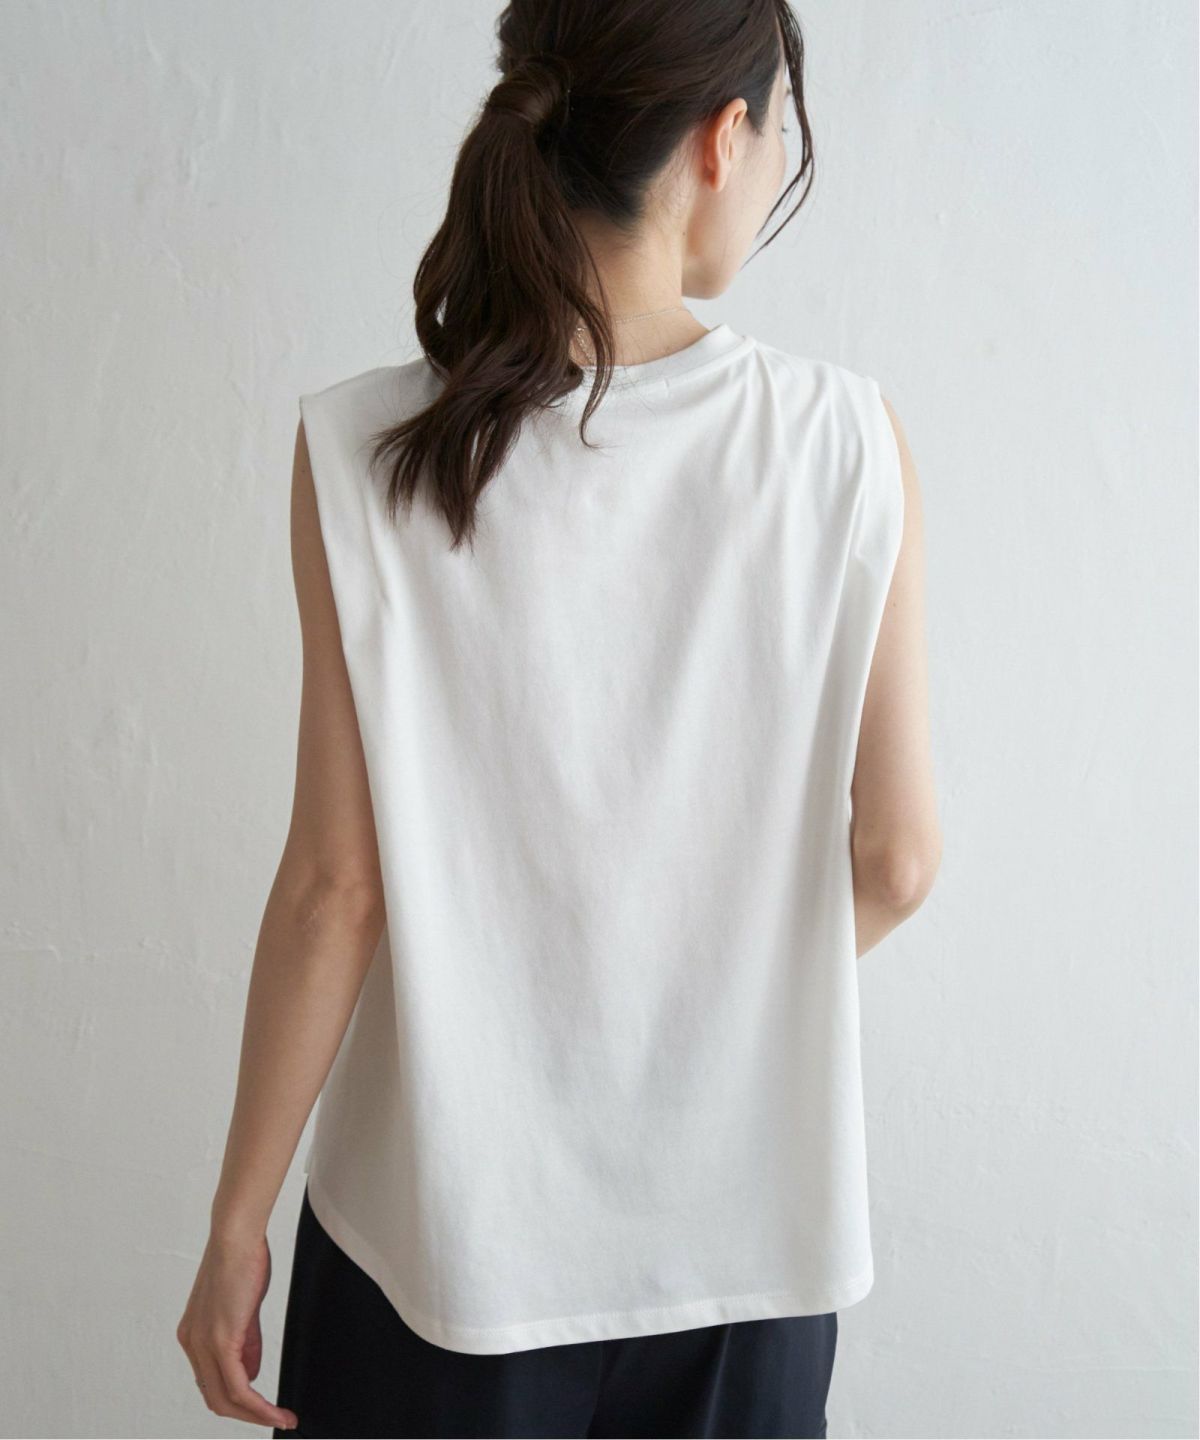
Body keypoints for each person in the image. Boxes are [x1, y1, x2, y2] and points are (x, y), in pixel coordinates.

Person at [175, 0, 941, 1435]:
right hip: (745, 1253)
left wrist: (235, 1225)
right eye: (780, 133)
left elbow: (336, 889)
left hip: (437, 1245)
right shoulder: (845, 441)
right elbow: (897, 860)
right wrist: (700, 1002)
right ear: (724, 139)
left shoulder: (363, 450)